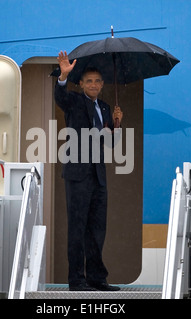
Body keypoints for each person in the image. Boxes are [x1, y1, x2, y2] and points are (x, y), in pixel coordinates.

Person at [54, 51, 123, 291]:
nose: (93, 84)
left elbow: (111, 143)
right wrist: (63, 76)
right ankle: (77, 280)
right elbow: (59, 97)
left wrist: (117, 125)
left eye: (97, 81)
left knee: (96, 229)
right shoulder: (73, 100)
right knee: (77, 227)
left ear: (102, 85)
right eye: (88, 81)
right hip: (77, 173)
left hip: (98, 176)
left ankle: (96, 278)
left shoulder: (105, 108)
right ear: (81, 84)